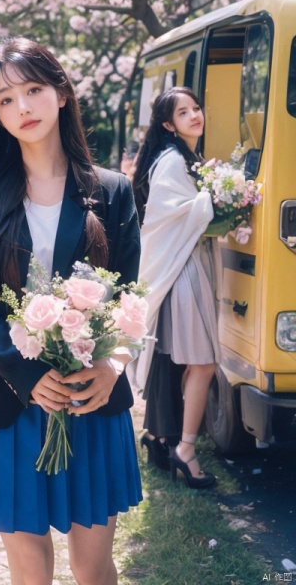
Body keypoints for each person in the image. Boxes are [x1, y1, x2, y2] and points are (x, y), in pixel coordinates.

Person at [0, 37, 142, 585]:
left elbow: (130, 295)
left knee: (93, 566)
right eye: (6, 100)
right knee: (30, 571)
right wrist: (29, 374)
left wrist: (113, 365)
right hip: (9, 400)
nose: (23, 108)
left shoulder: (113, 191)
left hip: (92, 400)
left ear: (61, 93)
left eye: (33, 90)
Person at [131, 86, 219, 489]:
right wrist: (219, 201)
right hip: (182, 270)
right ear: (168, 124)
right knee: (202, 363)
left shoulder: (183, 157)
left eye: (196, 108)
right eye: (184, 113)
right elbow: (173, 213)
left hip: (185, 265)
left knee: (187, 363)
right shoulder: (172, 160)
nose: (194, 116)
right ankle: (184, 448)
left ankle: (165, 439)